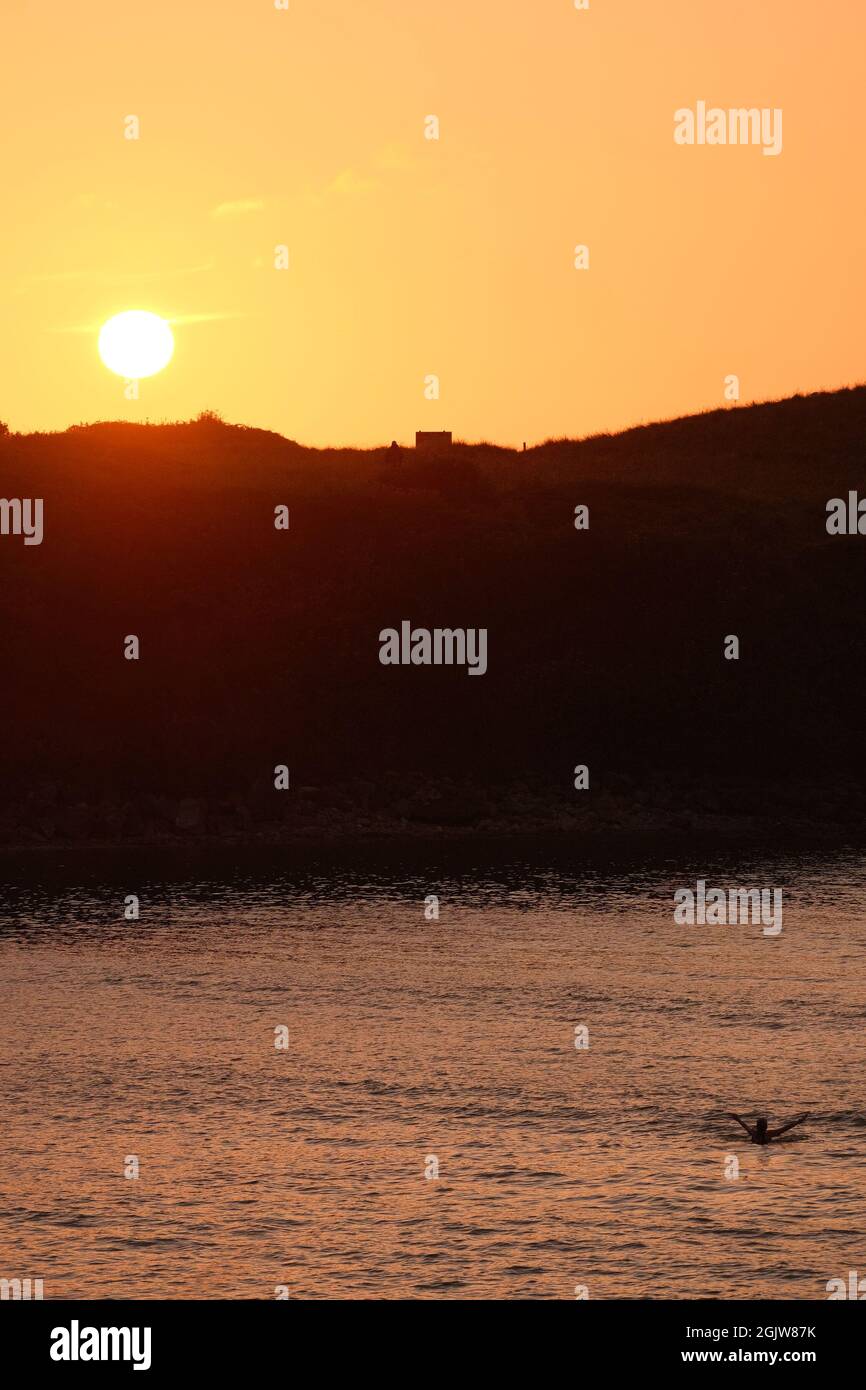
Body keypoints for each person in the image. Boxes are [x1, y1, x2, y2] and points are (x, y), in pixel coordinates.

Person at [727, 1112, 810, 1145]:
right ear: (766, 1127)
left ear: (757, 1126)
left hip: (755, 1143)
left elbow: (745, 1126)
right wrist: (798, 1121)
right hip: (768, 1143)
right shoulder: (771, 1134)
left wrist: (737, 1119)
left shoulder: (753, 1133)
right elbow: (786, 1128)